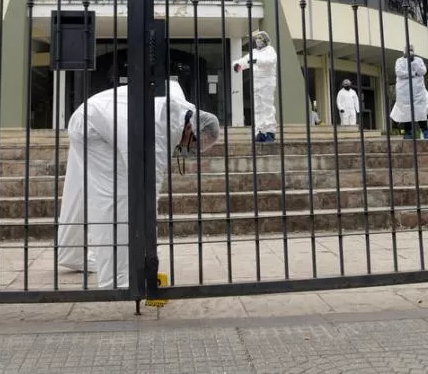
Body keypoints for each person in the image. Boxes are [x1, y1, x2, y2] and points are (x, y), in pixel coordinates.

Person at [58, 79, 221, 287]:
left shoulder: (177, 106)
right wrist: (152, 252)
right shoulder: (159, 134)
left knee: (79, 188)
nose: (185, 149)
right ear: (190, 128)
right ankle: (116, 281)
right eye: (192, 144)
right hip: (94, 131)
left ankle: (70, 254)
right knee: (114, 199)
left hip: (92, 115)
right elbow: (148, 191)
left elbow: (170, 84)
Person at [233, 30, 277, 142]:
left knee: (267, 107)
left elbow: (270, 61)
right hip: (256, 82)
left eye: (260, 38)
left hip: (267, 81)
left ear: (265, 40)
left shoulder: (270, 50)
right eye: (257, 38)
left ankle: (269, 132)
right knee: (258, 108)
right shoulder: (254, 52)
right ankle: (260, 132)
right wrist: (238, 64)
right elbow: (245, 60)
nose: (258, 40)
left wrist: (257, 61)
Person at [390, 45, 428, 139]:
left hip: (418, 90)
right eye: (408, 50)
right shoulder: (399, 61)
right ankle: (408, 132)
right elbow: (399, 73)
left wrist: (414, 62)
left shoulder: (418, 60)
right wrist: (413, 74)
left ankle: (426, 131)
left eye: (411, 50)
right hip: (404, 91)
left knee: (420, 111)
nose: (410, 52)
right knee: (406, 112)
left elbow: (423, 71)